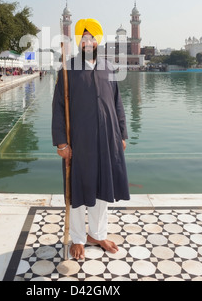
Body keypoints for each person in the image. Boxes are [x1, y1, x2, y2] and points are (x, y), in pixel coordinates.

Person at [52, 18, 129, 261]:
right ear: (78, 41)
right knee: (77, 190)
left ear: (98, 40)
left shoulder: (109, 68)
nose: (87, 42)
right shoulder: (68, 69)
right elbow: (58, 107)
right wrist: (62, 142)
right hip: (79, 141)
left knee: (101, 188)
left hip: (107, 140)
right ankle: (77, 238)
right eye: (83, 38)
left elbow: (117, 103)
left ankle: (97, 234)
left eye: (91, 37)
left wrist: (122, 133)